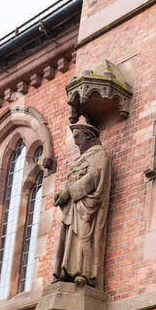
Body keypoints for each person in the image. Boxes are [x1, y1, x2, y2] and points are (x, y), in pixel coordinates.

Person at [53, 123, 112, 288]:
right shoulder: (82, 158)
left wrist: (69, 192)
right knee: (71, 239)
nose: (76, 142)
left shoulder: (99, 155)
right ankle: (67, 273)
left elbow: (94, 178)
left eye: (77, 137)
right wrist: (63, 194)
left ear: (88, 136)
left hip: (87, 208)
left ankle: (85, 274)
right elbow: (74, 180)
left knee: (84, 238)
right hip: (73, 207)